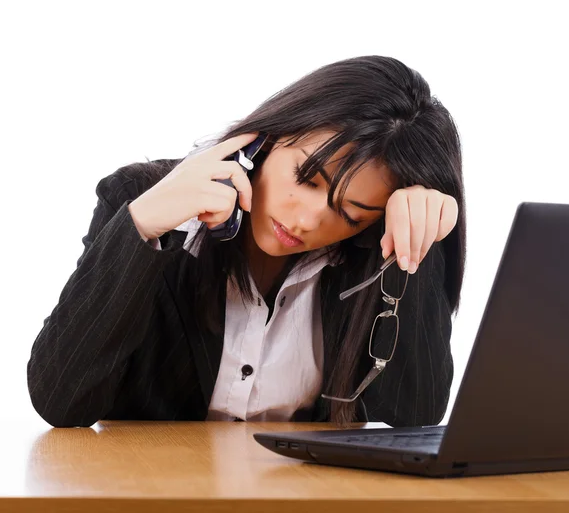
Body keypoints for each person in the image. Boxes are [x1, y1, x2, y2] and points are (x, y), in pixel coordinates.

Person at [27, 55, 465, 428]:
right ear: (269, 138)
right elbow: (61, 401)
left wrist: (416, 244)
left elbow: (415, 414)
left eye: (349, 215)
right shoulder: (140, 199)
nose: (307, 219)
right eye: (306, 178)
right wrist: (142, 227)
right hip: (148, 491)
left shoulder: (370, 253)